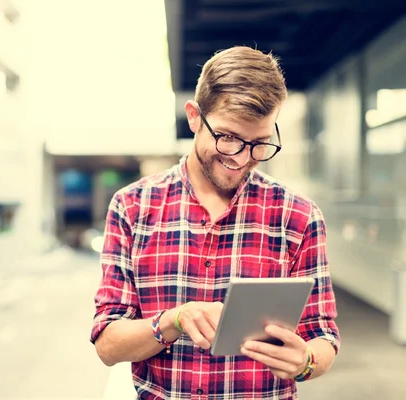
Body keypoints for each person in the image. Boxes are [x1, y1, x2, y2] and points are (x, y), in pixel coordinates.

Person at [90, 46, 341, 399]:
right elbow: (108, 345)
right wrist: (173, 321)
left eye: (259, 143)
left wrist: (306, 362)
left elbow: (323, 336)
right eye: (227, 138)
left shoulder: (298, 216)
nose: (241, 158)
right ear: (194, 116)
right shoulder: (132, 207)